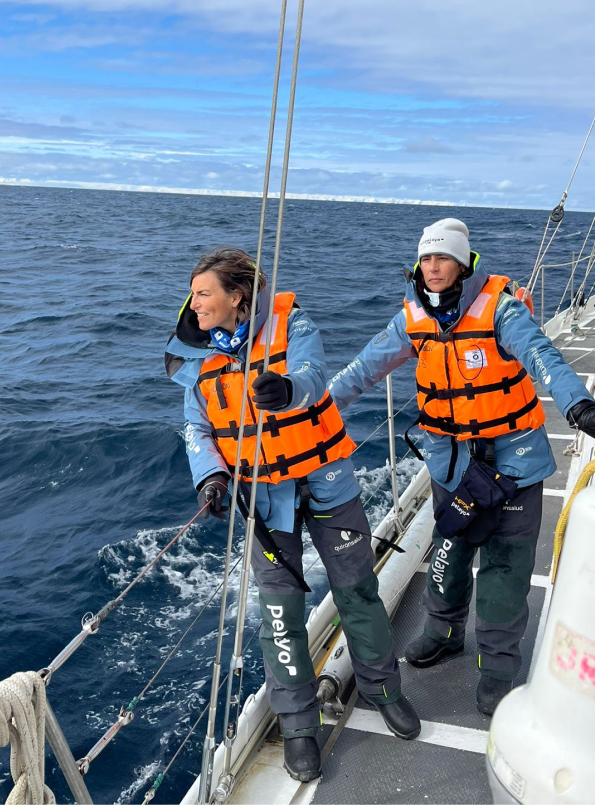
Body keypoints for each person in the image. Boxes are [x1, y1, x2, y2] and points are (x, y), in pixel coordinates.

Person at [329, 218, 595, 717]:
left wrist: (582, 408)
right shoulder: (412, 318)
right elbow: (363, 370)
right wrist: (308, 410)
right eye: (426, 258)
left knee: (505, 567)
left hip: (513, 462)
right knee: (448, 553)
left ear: (463, 262)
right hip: (452, 465)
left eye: (443, 257)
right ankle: (444, 632)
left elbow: (542, 356)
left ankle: (497, 667)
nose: (433, 267)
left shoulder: (500, 308)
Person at [165, 246, 421, 783]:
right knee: (279, 614)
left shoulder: (293, 323)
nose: (194, 304)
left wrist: (285, 391)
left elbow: (310, 374)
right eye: (193, 294)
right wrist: (210, 475)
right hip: (262, 501)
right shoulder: (194, 358)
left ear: (237, 296)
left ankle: (382, 688)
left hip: (326, 484)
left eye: (203, 293)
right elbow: (198, 429)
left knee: (356, 589)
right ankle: (300, 725)